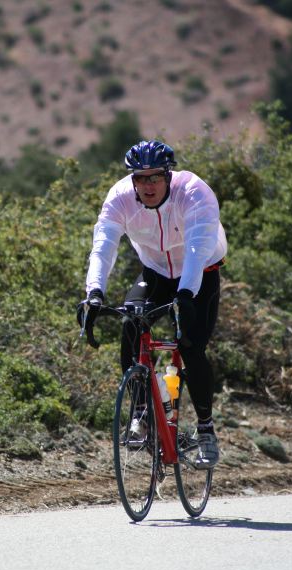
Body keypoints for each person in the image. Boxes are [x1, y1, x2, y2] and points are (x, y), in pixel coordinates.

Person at [79, 139, 227, 469]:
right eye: (140, 178)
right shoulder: (119, 198)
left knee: (191, 346)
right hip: (157, 272)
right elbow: (103, 248)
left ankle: (205, 431)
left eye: (155, 177)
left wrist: (186, 294)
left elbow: (196, 251)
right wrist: (94, 294)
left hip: (201, 270)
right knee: (131, 323)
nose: (147, 185)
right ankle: (142, 408)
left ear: (168, 176)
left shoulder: (193, 192)